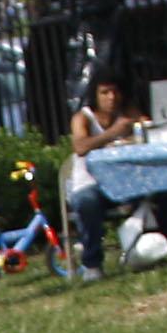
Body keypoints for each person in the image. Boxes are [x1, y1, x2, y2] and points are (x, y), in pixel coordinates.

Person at [65, 74, 145, 277]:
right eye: (105, 92)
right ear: (95, 95)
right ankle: (92, 264)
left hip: (126, 183)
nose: (112, 97)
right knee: (86, 202)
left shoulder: (127, 114)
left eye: (115, 91)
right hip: (92, 185)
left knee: (157, 191)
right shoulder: (83, 118)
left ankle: (147, 250)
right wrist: (114, 133)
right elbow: (80, 146)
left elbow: (147, 129)